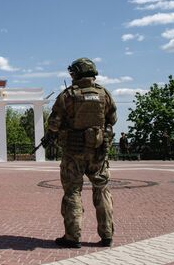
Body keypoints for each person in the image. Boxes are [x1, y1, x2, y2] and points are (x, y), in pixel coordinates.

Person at [43, 58, 117, 249]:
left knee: (73, 192)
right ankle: (107, 234)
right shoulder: (104, 93)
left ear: (76, 73)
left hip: (73, 153)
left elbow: (54, 123)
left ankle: (72, 236)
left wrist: (51, 135)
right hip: (98, 152)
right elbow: (113, 119)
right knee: (102, 190)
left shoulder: (68, 95)